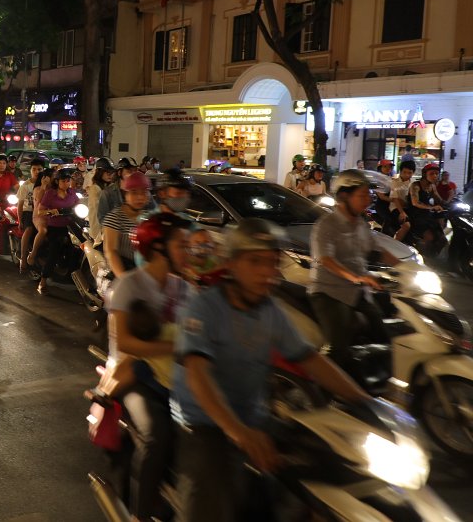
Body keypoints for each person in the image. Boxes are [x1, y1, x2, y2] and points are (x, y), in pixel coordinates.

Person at [173, 219, 369, 522]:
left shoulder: (271, 311)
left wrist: (365, 401)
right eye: (255, 261)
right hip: (204, 422)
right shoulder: (203, 309)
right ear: (233, 263)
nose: (266, 272)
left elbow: (310, 359)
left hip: (255, 417)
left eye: (272, 263)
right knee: (211, 495)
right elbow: (198, 375)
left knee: (320, 465)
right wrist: (237, 431)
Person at [107, 213, 195, 522]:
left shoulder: (185, 288)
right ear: (158, 248)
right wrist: (176, 347)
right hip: (139, 378)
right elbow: (128, 344)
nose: (188, 253)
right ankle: (139, 514)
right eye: (182, 246)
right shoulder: (128, 286)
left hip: (182, 379)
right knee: (157, 435)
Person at [309, 169, 400, 382]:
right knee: (339, 346)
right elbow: (326, 260)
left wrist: (406, 268)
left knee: (383, 334)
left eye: (369, 195)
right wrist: (357, 278)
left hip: (357, 292)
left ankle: (377, 381)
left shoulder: (360, 225)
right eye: (362, 195)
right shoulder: (326, 225)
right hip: (329, 293)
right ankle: (323, 388)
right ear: (343, 196)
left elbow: (377, 250)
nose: (367, 200)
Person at [30, 167, 80, 295]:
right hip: (55, 227)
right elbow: (40, 211)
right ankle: (43, 282)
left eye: (68, 181)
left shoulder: (72, 193)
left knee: (80, 247)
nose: (66, 183)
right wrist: (50, 211)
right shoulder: (50, 194)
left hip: (70, 226)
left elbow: (79, 205)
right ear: (57, 181)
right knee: (54, 252)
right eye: (63, 181)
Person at [101, 171, 151, 281]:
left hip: (144, 275)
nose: (139, 197)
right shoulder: (114, 218)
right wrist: (125, 280)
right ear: (125, 194)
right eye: (134, 192)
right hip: (122, 274)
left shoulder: (149, 218)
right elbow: (111, 251)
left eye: (143, 193)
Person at [407, 163, 447, 257]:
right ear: (425, 174)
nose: (435, 176)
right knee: (429, 237)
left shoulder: (432, 186)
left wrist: (451, 202)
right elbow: (415, 202)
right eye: (432, 173)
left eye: (437, 174)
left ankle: (433, 258)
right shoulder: (415, 185)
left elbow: (439, 199)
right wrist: (432, 207)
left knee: (443, 240)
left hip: (427, 215)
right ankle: (422, 258)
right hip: (415, 215)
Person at [17, 157, 47, 272]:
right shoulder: (25, 185)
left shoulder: (46, 184)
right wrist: (20, 221)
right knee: (29, 229)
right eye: (34, 169)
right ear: (30, 170)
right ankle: (23, 258)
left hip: (42, 211)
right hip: (28, 211)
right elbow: (20, 205)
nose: (36, 171)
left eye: (39, 169)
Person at [87, 158, 118, 244]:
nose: (110, 175)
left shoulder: (109, 187)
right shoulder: (95, 189)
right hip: (99, 232)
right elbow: (98, 212)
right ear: (99, 172)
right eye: (107, 172)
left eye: (111, 173)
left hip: (109, 229)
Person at [390, 160, 416, 242]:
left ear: (413, 173)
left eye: (410, 173)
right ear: (400, 171)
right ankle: (395, 245)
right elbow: (394, 198)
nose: (407, 175)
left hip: (409, 208)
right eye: (404, 172)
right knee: (406, 225)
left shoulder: (414, 183)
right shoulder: (394, 182)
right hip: (396, 208)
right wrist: (401, 212)